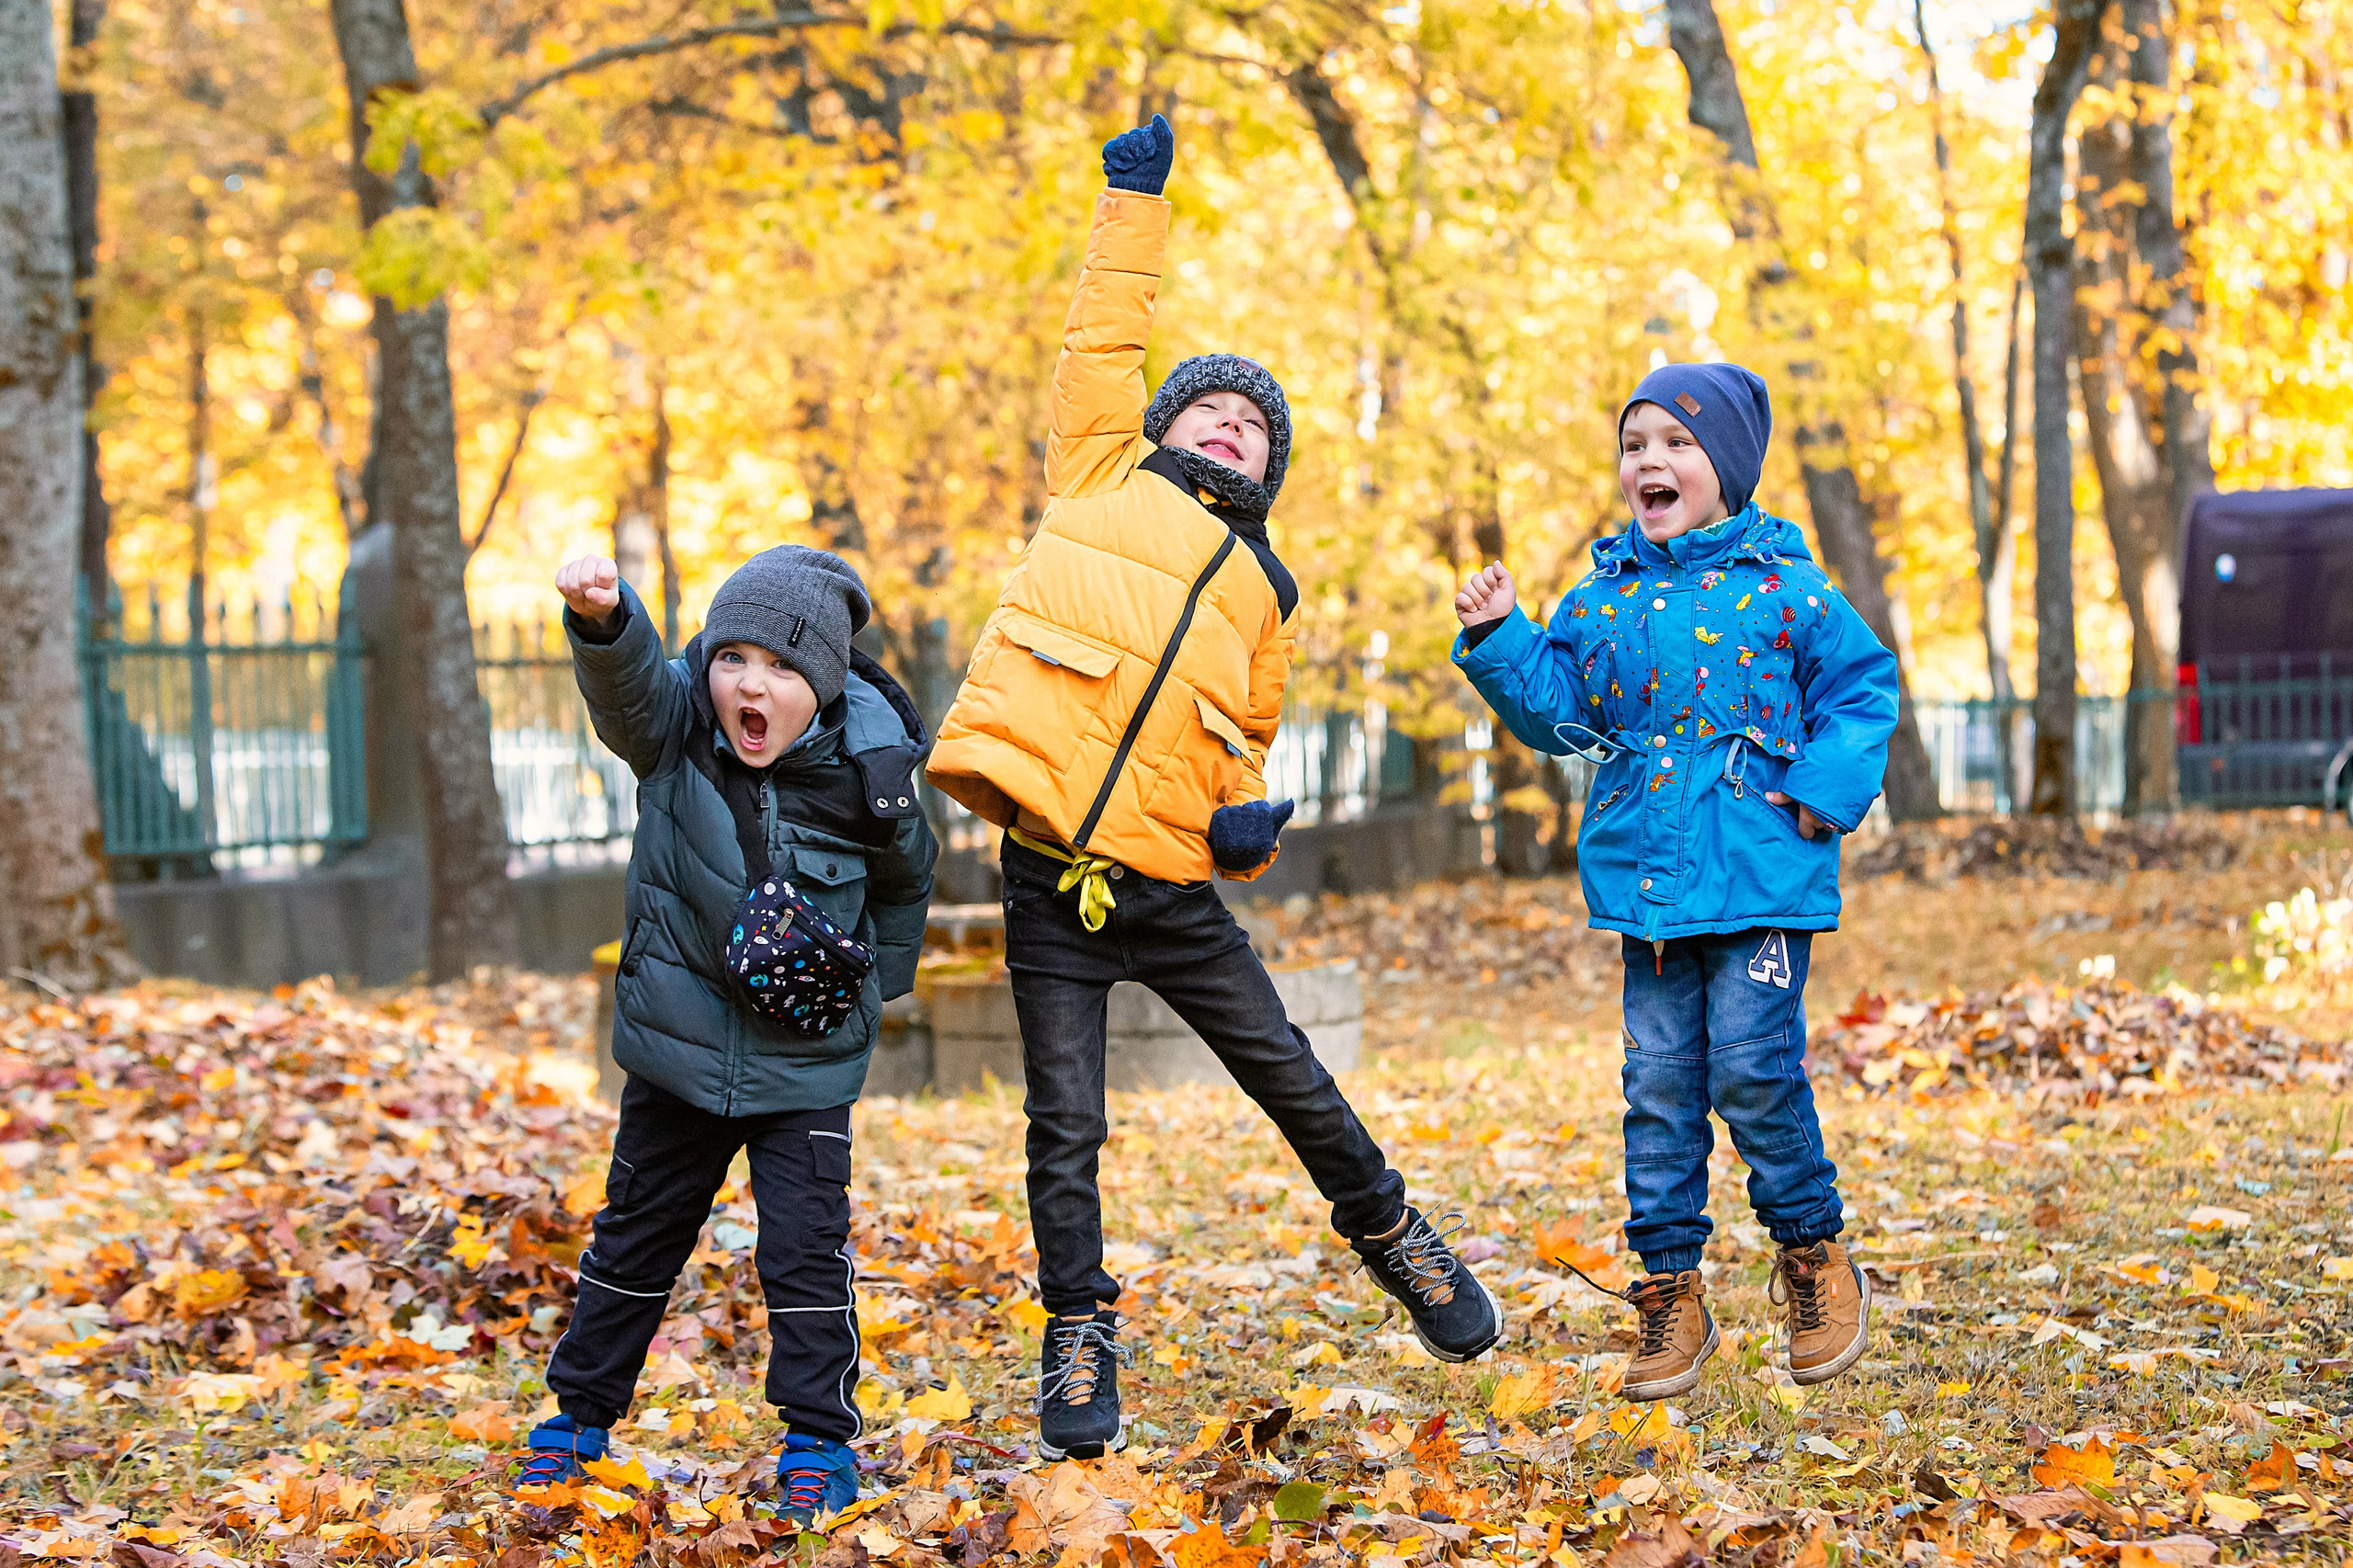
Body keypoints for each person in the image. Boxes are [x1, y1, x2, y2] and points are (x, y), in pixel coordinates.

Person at [926, 115, 1499, 1459]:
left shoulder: (1264, 590)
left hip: (1170, 884)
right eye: (1212, 411)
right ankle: (1079, 1328)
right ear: (1163, 426)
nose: (1232, 430)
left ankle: (1395, 1234)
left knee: (1290, 1073)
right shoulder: (1100, 470)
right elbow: (1099, 343)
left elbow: (1242, 739)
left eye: (1254, 427)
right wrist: (1132, 203)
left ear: (1267, 470)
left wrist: (1243, 825)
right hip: (1050, 873)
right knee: (1063, 1122)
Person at [1450, 363, 1896, 1402]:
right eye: (1634, 444)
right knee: (1656, 1088)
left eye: (1676, 442)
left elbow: (1860, 687)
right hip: (1651, 889)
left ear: (1725, 467)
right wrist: (1502, 634)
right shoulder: (1602, 599)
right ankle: (1669, 1290)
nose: (1649, 460)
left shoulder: (1788, 588)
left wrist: (1820, 792)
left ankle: (1812, 1251)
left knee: (1749, 1066)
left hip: (1760, 876)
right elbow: (1563, 714)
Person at [517, 547, 937, 1520]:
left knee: (806, 1252)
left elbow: (906, 887)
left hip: (806, 1065)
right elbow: (626, 690)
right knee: (634, 1239)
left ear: (824, 685)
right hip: (678, 1050)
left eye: (782, 668)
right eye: (732, 657)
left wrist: (874, 994)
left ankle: (818, 1440)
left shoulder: (872, 775)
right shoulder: (677, 730)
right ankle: (577, 1421)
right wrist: (605, 619)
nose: (751, 684)